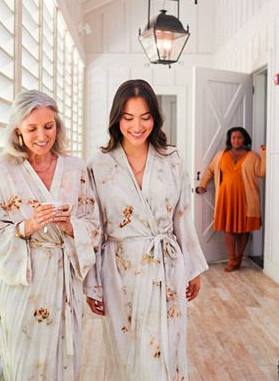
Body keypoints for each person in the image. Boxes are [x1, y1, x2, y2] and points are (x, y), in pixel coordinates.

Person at [84, 79, 208, 380]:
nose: (137, 126)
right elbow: (94, 227)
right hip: (119, 269)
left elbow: (182, 216)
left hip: (167, 264)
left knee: (167, 345)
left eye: (145, 117)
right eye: (128, 118)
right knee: (125, 348)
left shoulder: (171, 158)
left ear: (155, 117)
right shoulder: (99, 164)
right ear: (117, 119)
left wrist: (193, 269)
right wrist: (92, 282)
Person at [0, 90, 100, 381]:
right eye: (32, 128)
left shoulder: (76, 168)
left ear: (58, 126)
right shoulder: (1, 172)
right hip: (24, 285)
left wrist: (71, 227)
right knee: (24, 366)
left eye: (48, 126)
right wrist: (27, 226)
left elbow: (94, 223)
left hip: (64, 282)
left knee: (65, 366)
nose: (42, 135)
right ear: (18, 130)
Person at [196, 126, 266, 272]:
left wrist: (264, 154)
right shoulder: (221, 155)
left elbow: (261, 172)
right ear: (230, 140)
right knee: (228, 228)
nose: (236, 140)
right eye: (233, 137)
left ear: (244, 139)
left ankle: (239, 257)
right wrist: (202, 185)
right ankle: (231, 258)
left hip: (246, 197)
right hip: (226, 196)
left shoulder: (252, 156)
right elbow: (210, 170)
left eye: (239, 137)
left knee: (244, 229)